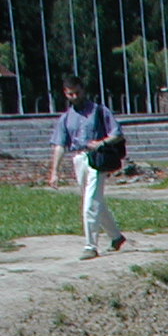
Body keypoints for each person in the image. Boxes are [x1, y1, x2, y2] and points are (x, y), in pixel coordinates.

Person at [47, 75, 126, 260]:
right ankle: (116, 236)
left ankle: (91, 246)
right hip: (79, 159)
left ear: (83, 90)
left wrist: (101, 142)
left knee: (90, 202)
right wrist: (54, 172)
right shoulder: (66, 118)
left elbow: (117, 134)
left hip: (97, 159)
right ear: (65, 94)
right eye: (70, 94)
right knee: (95, 200)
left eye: (77, 93)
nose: (74, 97)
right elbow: (60, 145)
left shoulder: (99, 111)